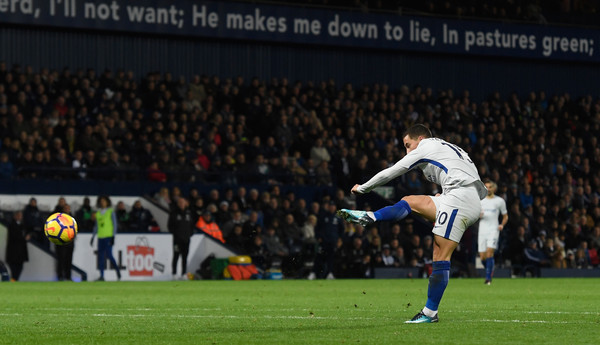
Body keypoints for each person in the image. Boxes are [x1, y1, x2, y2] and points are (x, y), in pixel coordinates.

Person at [337, 124, 487, 323]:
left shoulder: (425, 147)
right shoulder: (452, 148)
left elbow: (393, 171)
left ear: (420, 139)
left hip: (460, 199)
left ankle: (430, 313)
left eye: (408, 145)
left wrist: (363, 188)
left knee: (440, 254)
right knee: (411, 201)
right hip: (461, 196)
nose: (407, 151)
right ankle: (371, 217)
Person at [477, 180, 508, 285]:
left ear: (494, 189)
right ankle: (490, 269)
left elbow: (505, 216)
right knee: (482, 258)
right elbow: (475, 214)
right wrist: (478, 216)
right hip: (482, 230)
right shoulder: (480, 200)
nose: (488, 189)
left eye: (490, 187)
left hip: (493, 230)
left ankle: (488, 279)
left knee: (490, 252)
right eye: (486, 187)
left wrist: (502, 225)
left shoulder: (499, 201)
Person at [90, 195, 121, 281]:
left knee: (109, 255)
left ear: (107, 202)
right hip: (100, 237)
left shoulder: (111, 211)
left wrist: (113, 236)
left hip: (108, 236)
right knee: (100, 257)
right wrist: (93, 237)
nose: (102, 202)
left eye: (104, 201)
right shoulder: (98, 213)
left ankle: (117, 270)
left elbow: (115, 224)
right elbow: (96, 226)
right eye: (101, 201)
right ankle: (102, 276)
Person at [168, 197, 194, 280]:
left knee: (185, 257)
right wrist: (176, 234)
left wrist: (190, 234)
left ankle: (183, 274)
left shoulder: (189, 213)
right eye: (180, 202)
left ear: (185, 203)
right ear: (178, 204)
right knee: (176, 256)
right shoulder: (174, 213)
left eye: (183, 202)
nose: (182, 204)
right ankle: (174, 274)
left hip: (186, 239)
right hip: (177, 240)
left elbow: (192, 225)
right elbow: (169, 226)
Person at [5, 211, 29, 281]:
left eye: (21, 215)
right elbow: (15, 237)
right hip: (13, 252)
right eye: (18, 215)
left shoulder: (22, 226)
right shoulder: (12, 225)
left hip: (20, 253)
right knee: (14, 270)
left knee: (19, 268)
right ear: (15, 216)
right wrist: (24, 238)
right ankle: (14, 281)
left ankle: (14, 281)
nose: (20, 217)